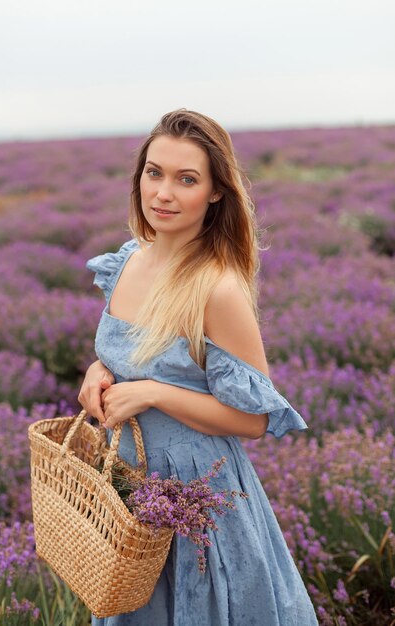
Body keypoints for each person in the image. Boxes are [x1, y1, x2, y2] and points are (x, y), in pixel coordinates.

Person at [79, 108, 319, 626]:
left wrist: (154, 394)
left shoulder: (217, 288)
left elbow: (254, 421)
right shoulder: (126, 262)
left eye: (186, 179)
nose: (163, 193)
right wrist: (99, 371)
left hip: (199, 502)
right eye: (154, 172)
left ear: (215, 192)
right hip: (129, 485)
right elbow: (131, 350)